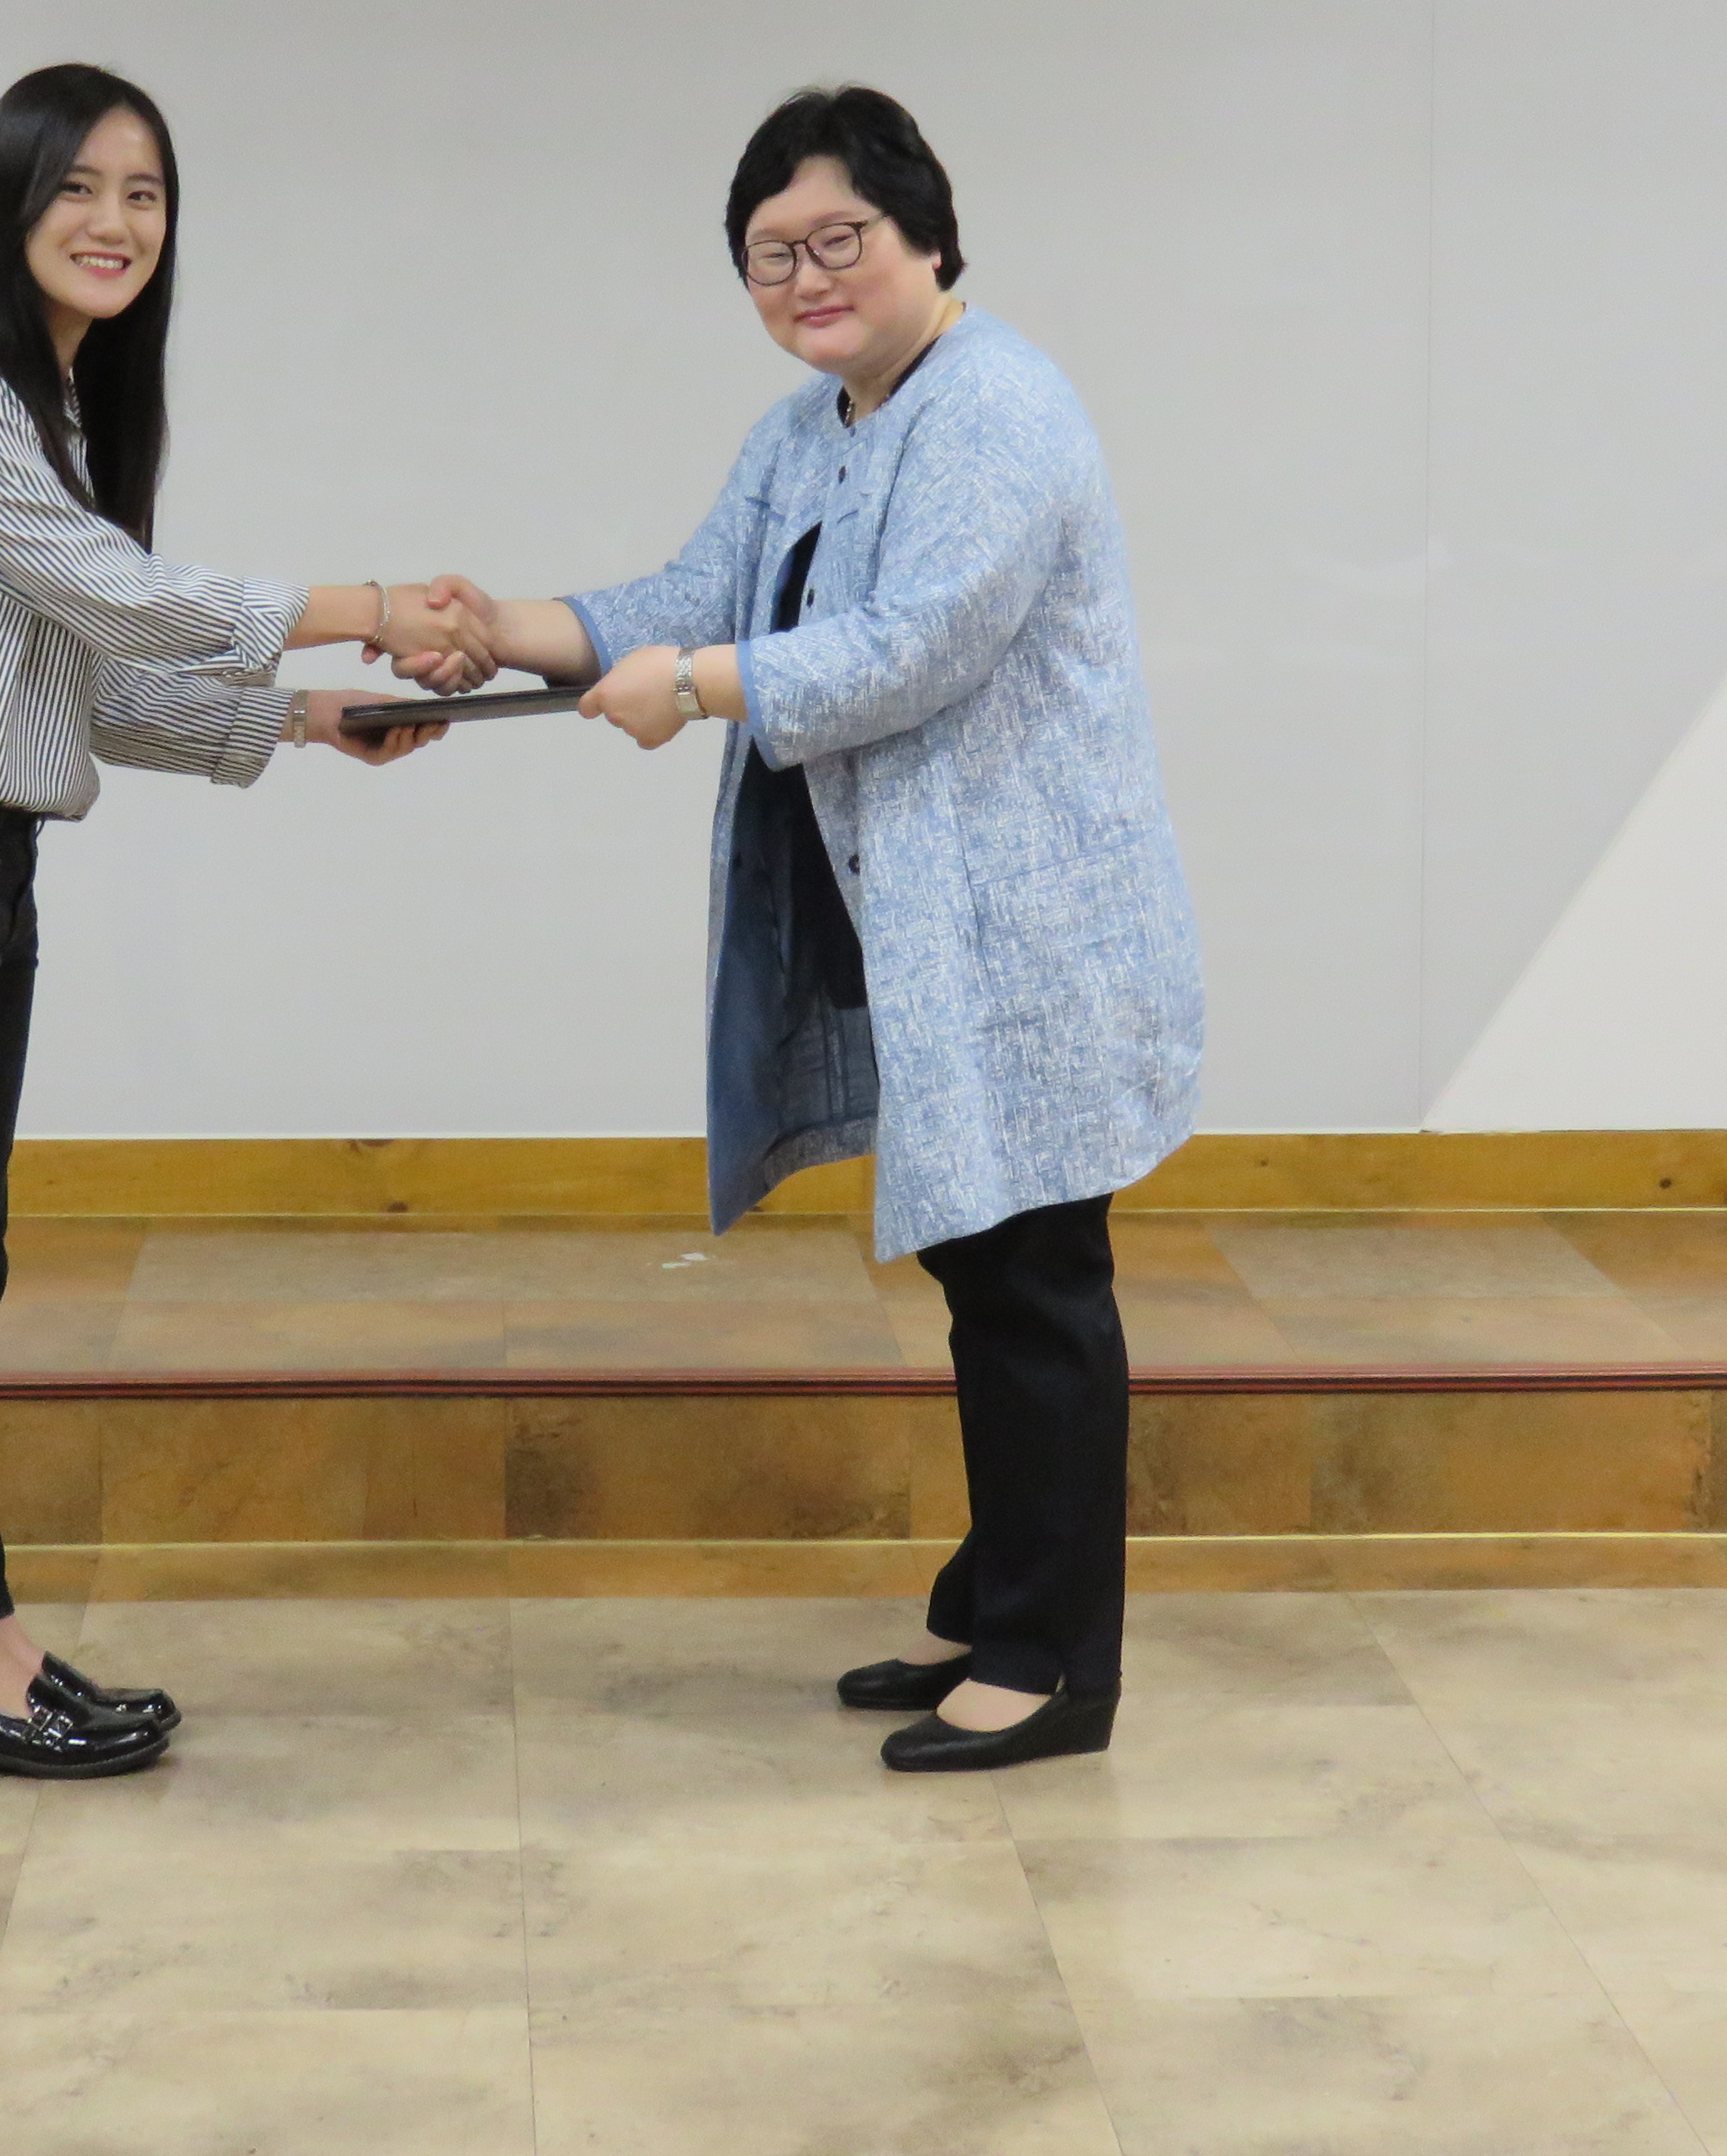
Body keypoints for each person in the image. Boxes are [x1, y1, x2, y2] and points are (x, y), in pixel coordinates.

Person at [429, 86, 1201, 1771]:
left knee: (1036, 1282)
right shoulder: (809, 427)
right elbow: (686, 600)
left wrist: (700, 687)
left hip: (1031, 936)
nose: (808, 277)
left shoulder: (998, 403)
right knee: (984, 1267)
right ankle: (996, 1598)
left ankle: (1056, 1661)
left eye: (838, 237)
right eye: (770, 255)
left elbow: (916, 645)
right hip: (921, 927)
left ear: (927, 233)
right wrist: (504, 630)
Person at [0, 62, 487, 1780]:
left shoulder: (56, 409)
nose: (114, 221)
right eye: (77, 187)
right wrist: (376, 605)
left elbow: (76, 682)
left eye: (144, 193)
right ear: (8, 205)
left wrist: (307, 717)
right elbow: (131, 600)